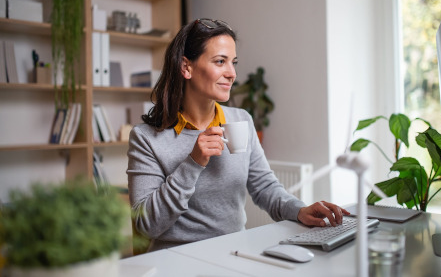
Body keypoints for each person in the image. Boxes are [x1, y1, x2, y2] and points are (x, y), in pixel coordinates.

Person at [127, 18, 350, 251]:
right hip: (177, 258)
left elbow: (264, 187)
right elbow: (146, 224)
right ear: (186, 67)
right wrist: (192, 163)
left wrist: (299, 210)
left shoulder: (240, 120)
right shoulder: (145, 138)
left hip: (235, 252)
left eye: (233, 62)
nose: (232, 73)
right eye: (220, 61)